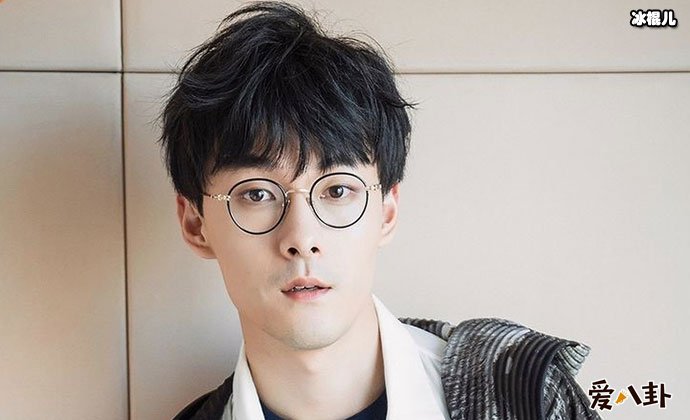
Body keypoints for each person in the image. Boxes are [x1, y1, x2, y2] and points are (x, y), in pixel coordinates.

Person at [159, 2, 600, 419]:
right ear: (196, 224)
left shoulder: (521, 393)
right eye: (257, 195)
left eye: (337, 190)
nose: (302, 239)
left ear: (387, 212)